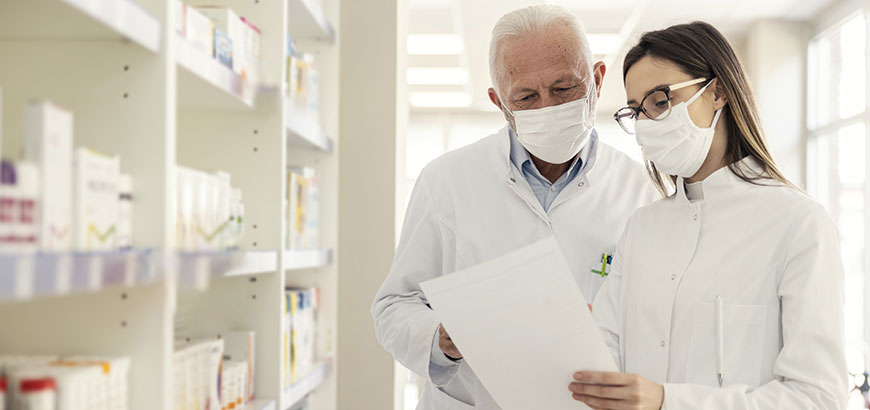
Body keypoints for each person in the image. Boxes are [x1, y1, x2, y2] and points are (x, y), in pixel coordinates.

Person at [371, 4, 658, 409]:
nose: (547, 108)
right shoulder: (445, 182)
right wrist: (441, 337)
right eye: (525, 96)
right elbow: (392, 307)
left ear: (596, 79)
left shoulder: (643, 191)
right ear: (499, 102)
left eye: (564, 89)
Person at [569, 21, 848, 410]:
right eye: (636, 111)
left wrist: (668, 401)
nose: (647, 123)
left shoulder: (798, 222)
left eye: (660, 101)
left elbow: (817, 397)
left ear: (717, 91)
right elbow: (605, 360)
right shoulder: (642, 227)